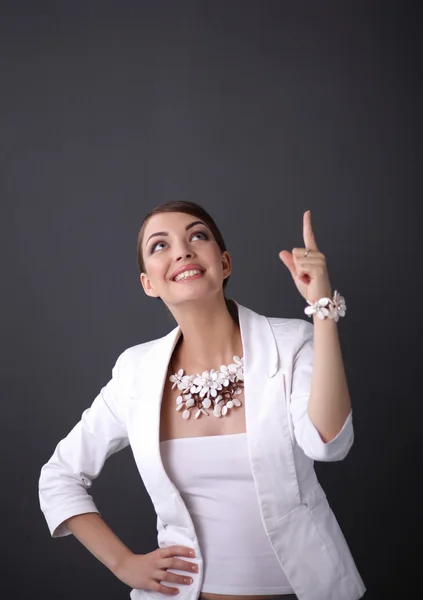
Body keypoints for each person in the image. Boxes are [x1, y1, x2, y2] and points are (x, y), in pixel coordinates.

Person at [39, 200, 366, 600]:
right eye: (160, 245)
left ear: (224, 263)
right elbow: (59, 477)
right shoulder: (135, 372)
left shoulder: (292, 342)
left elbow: (328, 442)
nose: (182, 250)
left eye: (198, 236)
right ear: (149, 284)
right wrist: (124, 564)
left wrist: (322, 312)